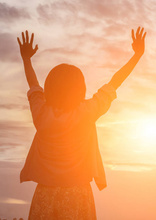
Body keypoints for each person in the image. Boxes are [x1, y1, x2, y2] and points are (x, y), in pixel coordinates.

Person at [17, 27, 146, 219]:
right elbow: (115, 81)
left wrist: (26, 59)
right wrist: (137, 55)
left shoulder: (41, 113)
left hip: (45, 194)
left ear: (50, 88)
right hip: (77, 194)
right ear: (80, 88)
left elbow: (33, 84)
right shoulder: (87, 112)